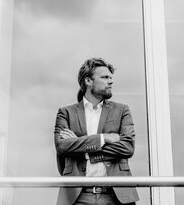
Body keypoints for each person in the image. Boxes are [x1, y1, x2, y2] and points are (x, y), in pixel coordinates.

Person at [54, 58, 139, 205]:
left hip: (115, 196)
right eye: (105, 77)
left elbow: (127, 147)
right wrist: (102, 138)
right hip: (77, 197)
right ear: (88, 81)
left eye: (111, 78)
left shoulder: (122, 110)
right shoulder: (66, 113)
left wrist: (80, 145)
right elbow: (62, 146)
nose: (110, 81)